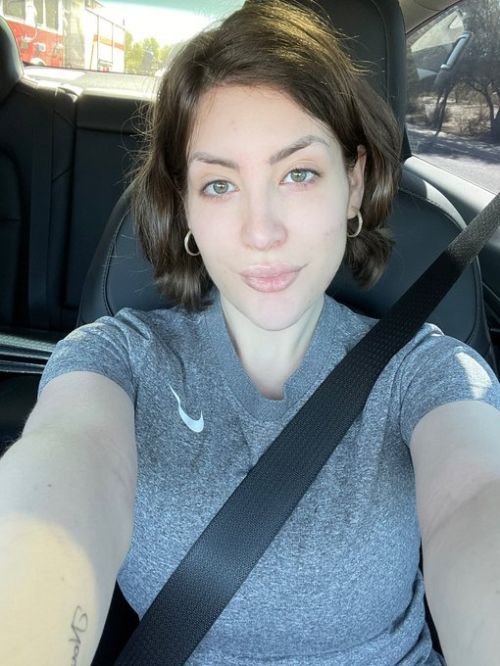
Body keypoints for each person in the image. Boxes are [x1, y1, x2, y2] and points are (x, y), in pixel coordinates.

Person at [1, 1, 500, 665]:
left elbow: (476, 498)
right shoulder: (117, 359)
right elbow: (56, 491)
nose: (261, 231)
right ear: (184, 204)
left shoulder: (424, 372)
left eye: (298, 174)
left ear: (353, 184)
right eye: (218, 185)